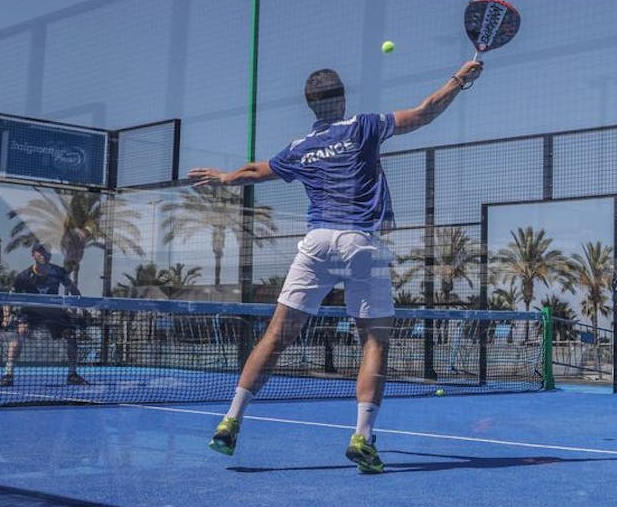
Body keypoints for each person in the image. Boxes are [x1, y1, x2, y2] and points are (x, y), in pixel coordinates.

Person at [189, 59, 484, 473]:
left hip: (317, 244)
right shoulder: (364, 126)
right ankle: (362, 436)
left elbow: (256, 171)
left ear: (311, 106)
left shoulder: (300, 148)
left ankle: (229, 421)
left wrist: (223, 178)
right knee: (374, 342)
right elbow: (422, 113)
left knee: (275, 336)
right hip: (362, 244)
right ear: (342, 98)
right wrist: (459, 79)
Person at [0, 243, 87, 387]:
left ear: (50, 256)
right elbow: (9, 298)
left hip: (53, 311)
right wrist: (6, 316)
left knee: (70, 335)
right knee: (20, 334)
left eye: (46, 252)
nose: (44, 254)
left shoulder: (58, 272)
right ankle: (8, 374)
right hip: (31, 311)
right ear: (33, 255)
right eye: (40, 252)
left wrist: (80, 307)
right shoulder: (24, 276)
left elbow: (73, 290)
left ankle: (72, 374)